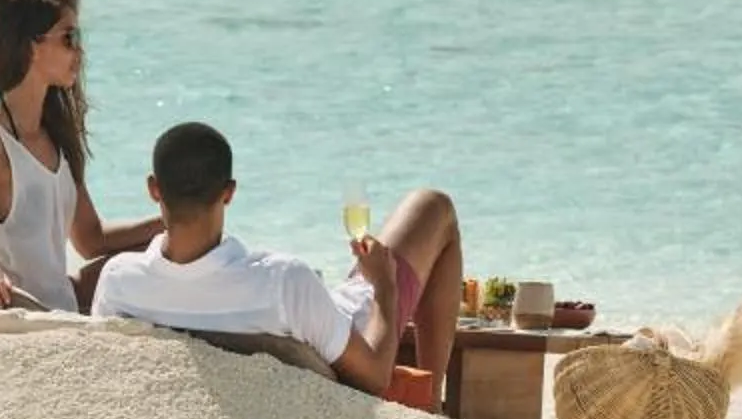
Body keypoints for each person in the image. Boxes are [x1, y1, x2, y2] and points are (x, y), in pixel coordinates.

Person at [89, 121, 467, 400]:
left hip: (316, 323)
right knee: (434, 206)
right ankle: (432, 405)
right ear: (229, 193)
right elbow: (374, 377)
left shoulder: (118, 282)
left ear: (154, 189)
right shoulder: (283, 281)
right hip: (355, 325)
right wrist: (384, 287)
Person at [0, 0, 161, 312]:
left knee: (173, 245)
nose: (79, 50)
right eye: (70, 38)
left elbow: (91, 240)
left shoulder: (57, 134)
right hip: (19, 316)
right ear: (32, 46)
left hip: (66, 309)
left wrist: (170, 220)